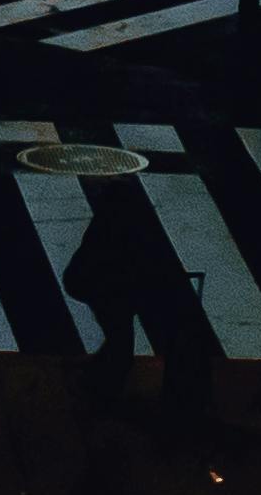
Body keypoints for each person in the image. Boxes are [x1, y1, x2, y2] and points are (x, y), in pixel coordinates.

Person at [61, 185, 219, 433]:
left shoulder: (110, 227)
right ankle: (107, 385)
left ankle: (104, 380)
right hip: (110, 285)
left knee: (120, 334)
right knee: (124, 336)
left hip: (102, 283)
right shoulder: (129, 233)